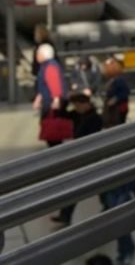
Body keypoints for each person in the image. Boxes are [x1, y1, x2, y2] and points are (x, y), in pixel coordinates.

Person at [52, 93, 104, 226]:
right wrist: (65, 101)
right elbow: (60, 114)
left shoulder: (94, 118)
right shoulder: (77, 114)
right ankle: (65, 215)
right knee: (76, 186)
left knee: (96, 185)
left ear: (85, 104)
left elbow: (88, 137)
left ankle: (109, 206)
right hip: (81, 156)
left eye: (78, 105)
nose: (76, 108)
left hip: (90, 157)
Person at [32, 43, 69, 147]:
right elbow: (43, 84)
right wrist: (38, 99)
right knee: (51, 127)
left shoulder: (50, 66)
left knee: (52, 128)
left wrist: (56, 99)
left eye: (38, 53)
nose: (37, 56)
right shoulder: (46, 66)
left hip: (51, 102)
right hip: (48, 100)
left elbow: (54, 84)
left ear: (45, 54)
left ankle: (55, 148)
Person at [102, 56, 130, 129]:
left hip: (118, 108)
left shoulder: (119, 80)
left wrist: (115, 99)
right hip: (114, 109)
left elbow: (125, 92)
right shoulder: (111, 80)